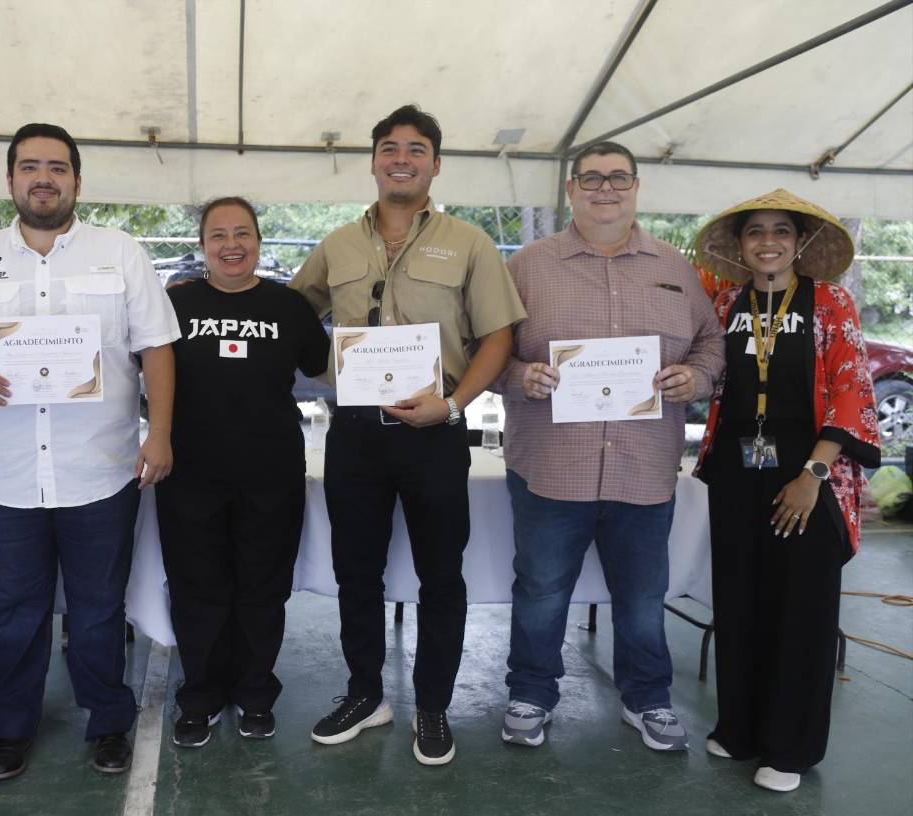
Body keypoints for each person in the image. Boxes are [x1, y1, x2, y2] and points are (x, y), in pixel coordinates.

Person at [0, 123, 179, 778]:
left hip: (100, 469)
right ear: (11, 179)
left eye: (56, 167)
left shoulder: (120, 252)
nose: (42, 178)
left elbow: (156, 345)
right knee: (15, 614)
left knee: (99, 611)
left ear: (76, 179)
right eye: (29, 167)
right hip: (7, 473)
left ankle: (107, 722)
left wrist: (158, 432)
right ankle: (12, 729)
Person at [290, 104, 526, 766]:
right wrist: (316, 362)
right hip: (356, 436)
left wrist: (451, 404)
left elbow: (499, 337)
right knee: (355, 571)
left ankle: (434, 706)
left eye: (415, 149)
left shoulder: (470, 243)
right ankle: (366, 694)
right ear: (372, 161)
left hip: (434, 435)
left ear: (435, 164)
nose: (401, 158)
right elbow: (294, 312)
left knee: (440, 575)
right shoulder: (337, 242)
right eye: (389, 148)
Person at [497, 140, 724, 753]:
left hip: (644, 467)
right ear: (570, 189)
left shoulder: (676, 268)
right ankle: (531, 693)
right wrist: (521, 377)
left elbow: (711, 346)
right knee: (541, 591)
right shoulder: (527, 266)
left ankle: (648, 699)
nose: (605, 188)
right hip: (551, 468)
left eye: (617, 178)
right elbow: (485, 352)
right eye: (591, 178)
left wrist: (695, 378)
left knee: (643, 597)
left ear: (636, 187)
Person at [691, 189, 880, 792]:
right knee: (740, 598)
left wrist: (813, 475)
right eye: (754, 232)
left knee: (802, 608)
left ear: (800, 242)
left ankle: (790, 747)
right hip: (736, 471)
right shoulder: (726, 304)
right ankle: (741, 727)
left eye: (780, 231)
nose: (767, 241)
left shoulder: (830, 303)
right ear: (741, 245)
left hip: (808, 472)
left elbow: (852, 392)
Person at [157, 196, 329, 748]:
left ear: (258, 241)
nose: (232, 245)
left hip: (271, 471)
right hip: (189, 472)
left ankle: (256, 694)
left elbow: (326, 368)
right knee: (196, 589)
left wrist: (401, 364)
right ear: (203, 245)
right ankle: (200, 696)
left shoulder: (290, 306)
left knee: (262, 589)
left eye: (243, 233)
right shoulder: (173, 306)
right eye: (218, 235)